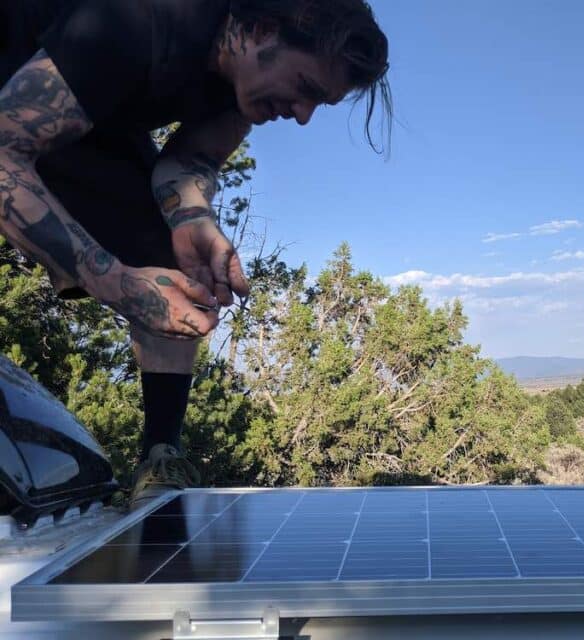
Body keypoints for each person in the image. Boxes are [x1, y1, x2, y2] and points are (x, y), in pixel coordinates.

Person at [0, 0, 391, 508]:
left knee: (171, 256)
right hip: (17, 94)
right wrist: (118, 284)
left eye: (320, 105)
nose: (301, 116)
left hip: (83, 120)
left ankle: (161, 456)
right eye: (307, 90)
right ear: (261, 30)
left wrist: (193, 220)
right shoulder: (140, 21)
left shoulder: (240, 89)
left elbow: (187, 162)